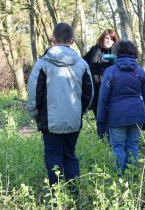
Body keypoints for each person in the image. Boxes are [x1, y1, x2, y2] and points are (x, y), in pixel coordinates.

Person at [27, 23, 93, 188]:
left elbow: (34, 93)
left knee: (53, 157)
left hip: (49, 122)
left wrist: (34, 113)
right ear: (72, 40)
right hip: (73, 119)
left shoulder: (42, 64)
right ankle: (74, 194)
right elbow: (89, 93)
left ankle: (56, 196)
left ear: (52, 39)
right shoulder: (82, 64)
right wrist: (80, 112)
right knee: (70, 156)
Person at [97, 40, 145, 173]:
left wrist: (101, 121)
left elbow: (103, 99)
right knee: (133, 146)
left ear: (117, 53)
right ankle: (131, 176)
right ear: (134, 53)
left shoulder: (110, 72)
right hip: (137, 115)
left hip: (116, 116)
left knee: (118, 147)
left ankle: (118, 177)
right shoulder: (140, 71)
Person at [83, 29, 118, 138]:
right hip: (96, 89)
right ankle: (102, 138)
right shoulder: (94, 50)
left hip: (112, 90)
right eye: (106, 38)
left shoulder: (117, 52)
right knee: (99, 115)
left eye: (111, 39)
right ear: (102, 38)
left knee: (111, 116)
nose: (108, 41)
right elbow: (82, 62)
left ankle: (112, 138)